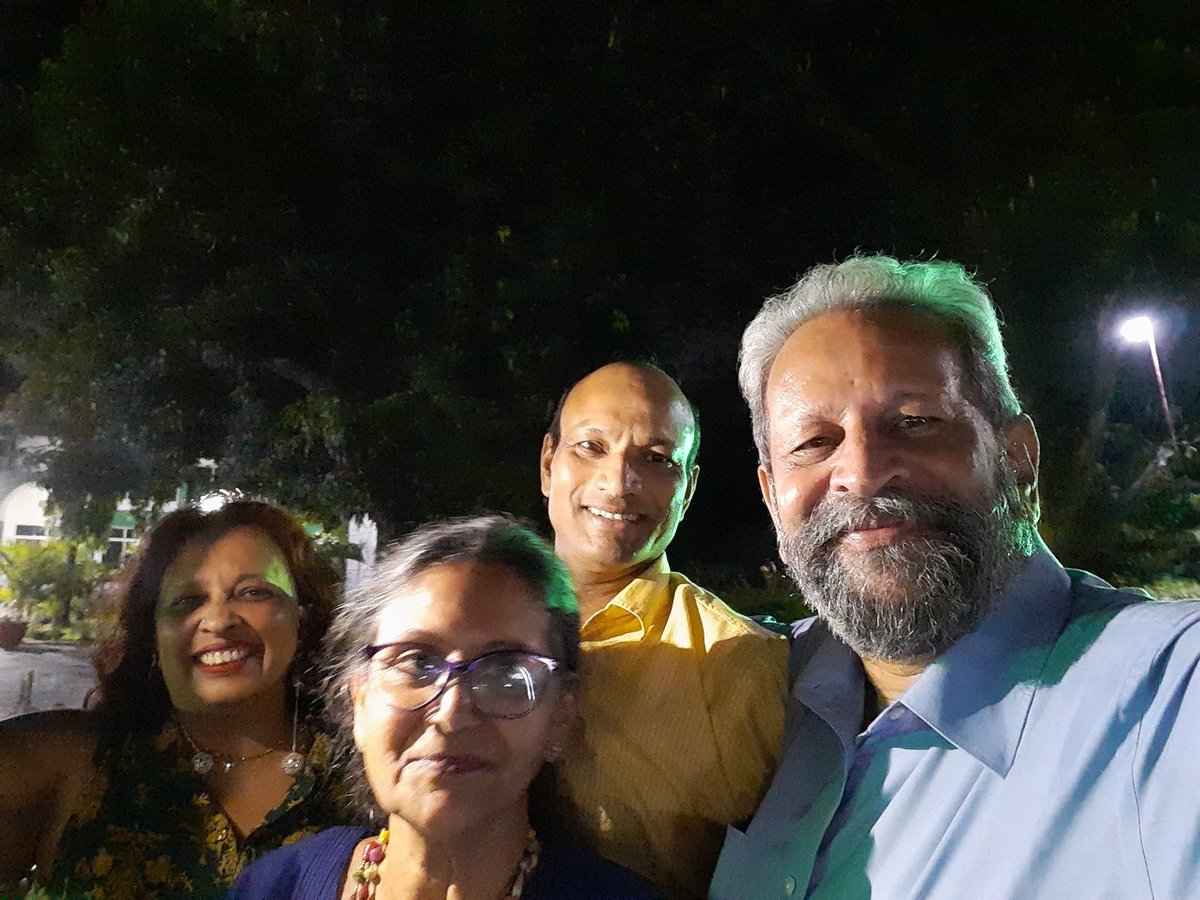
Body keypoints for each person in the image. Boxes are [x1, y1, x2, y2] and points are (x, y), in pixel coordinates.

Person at [710, 254, 1200, 898]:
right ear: (773, 499)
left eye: (915, 422)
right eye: (814, 442)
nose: (861, 472)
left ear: (1017, 458)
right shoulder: (743, 692)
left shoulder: (1166, 700)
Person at [230, 515, 659, 899]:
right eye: (416, 662)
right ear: (356, 699)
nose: (452, 712)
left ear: (561, 717)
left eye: (506, 675)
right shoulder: (276, 886)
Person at [0, 500, 344, 897]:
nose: (218, 621)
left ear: (303, 615)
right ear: (152, 634)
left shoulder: (369, 774)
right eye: (187, 601)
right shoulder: (71, 762)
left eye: (252, 592)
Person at [539, 362, 788, 896]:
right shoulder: (474, 628)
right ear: (547, 464)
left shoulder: (738, 663)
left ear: (688, 489)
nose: (619, 481)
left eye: (655, 459)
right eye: (590, 446)